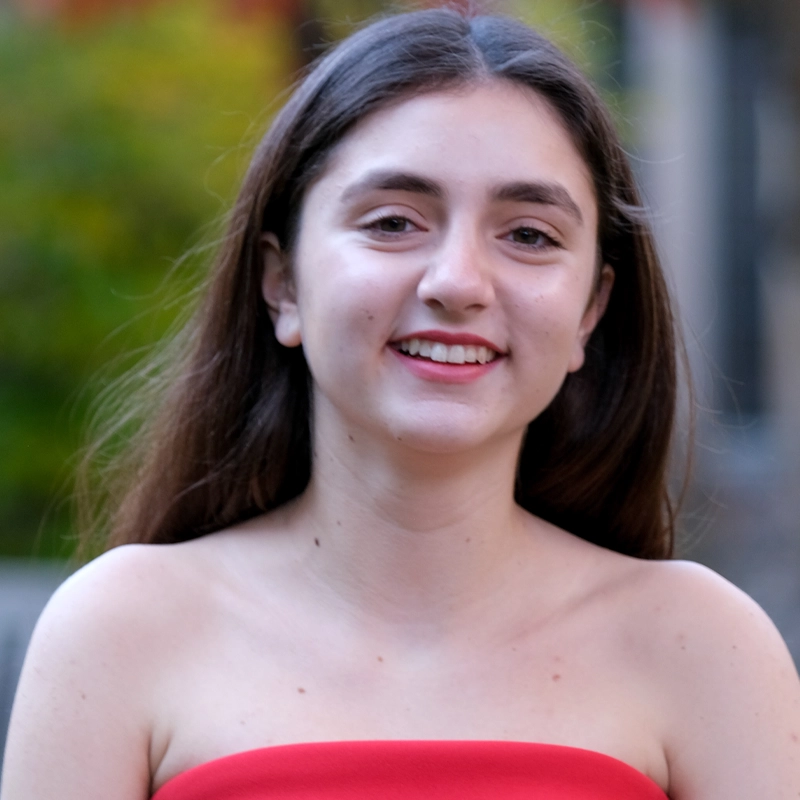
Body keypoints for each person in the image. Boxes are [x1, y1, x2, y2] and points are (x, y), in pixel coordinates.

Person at [2, 7, 799, 799]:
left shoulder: (704, 649)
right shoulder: (118, 633)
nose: (456, 282)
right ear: (282, 284)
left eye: (528, 234)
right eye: (393, 222)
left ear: (591, 309)